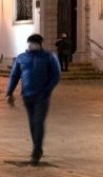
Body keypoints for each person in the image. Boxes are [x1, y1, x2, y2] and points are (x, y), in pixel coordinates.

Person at [5, 33, 62, 165]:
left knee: (38, 122)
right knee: (32, 123)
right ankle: (37, 147)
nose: (32, 45)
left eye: (35, 43)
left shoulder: (49, 57)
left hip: (42, 97)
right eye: (30, 43)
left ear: (40, 44)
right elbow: (14, 76)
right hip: (27, 96)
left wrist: (47, 90)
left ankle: (36, 151)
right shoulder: (21, 58)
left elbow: (56, 75)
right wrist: (9, 92)